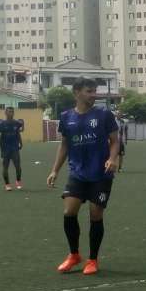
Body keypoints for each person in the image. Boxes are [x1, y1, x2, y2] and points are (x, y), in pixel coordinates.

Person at [46, 77, 120, 275]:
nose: (93, 94)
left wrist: (112, 158)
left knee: (96, 214)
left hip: (101, 174)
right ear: (77, 92)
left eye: (95, 90)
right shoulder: (66, 116)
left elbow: (115, 140)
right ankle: (74, 255)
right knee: (69, 212)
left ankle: (93, 259)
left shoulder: (104, 114)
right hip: (77, 172)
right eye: (89, 91)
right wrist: (55, 170)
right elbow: (64, 145)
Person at [0, 106, 24, 190]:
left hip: (14, 148)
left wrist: (21, 143)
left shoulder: (17, 123)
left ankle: (18, 181)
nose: (11, 113)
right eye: (9, 111)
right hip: (5, 148)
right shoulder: (0, 124)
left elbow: (18, 133)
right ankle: (7, 184)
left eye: (12, 111)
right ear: (5, 113)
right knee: (5, 167)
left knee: (18, 166)